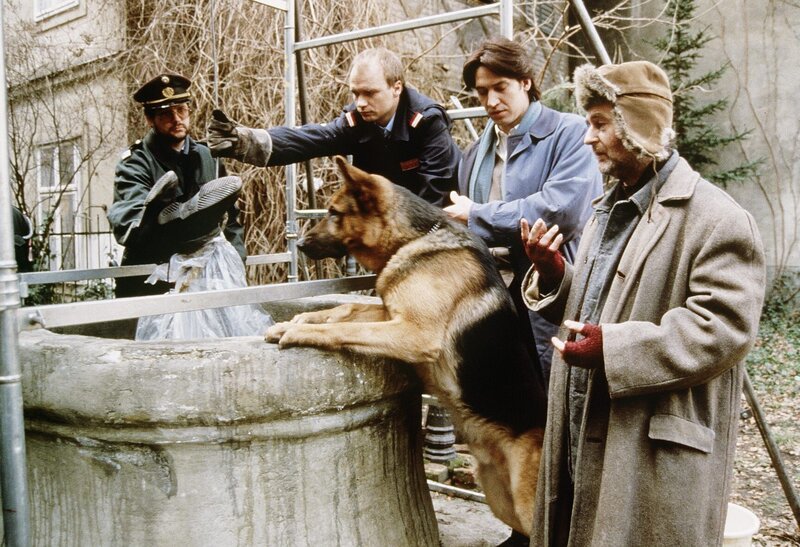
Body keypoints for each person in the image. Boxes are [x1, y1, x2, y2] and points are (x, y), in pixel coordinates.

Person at [520, 60, 766, 546]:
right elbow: (603, 304)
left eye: (600, 124)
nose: (587, 137)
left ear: (637, 127)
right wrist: (555, 275)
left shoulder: (719, 219)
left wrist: (612, 350)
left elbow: (724, 328)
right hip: (580, 426)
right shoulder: (609, 207)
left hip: (648, 446)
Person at [444, 37, 603, 391]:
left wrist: (476, 214)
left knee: (556, 396)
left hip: (552, 291)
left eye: (501, 88)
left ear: (526, 82)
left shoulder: (570, 133)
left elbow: (560, 212)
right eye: (482, 92)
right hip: (493, 298)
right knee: (508, 402)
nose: (491, 101)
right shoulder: (474, 155)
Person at [207, 47, 461, 207]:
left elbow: (436, 193)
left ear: (396, 88)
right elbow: (312, 139)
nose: (360, 103)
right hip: (388, 215)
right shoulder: (358, 121)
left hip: (434, 223)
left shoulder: (426, 122)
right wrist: (246, 141)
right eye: (355, 93)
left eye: (370, 93)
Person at [108, 73, 245, 298]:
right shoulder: (135, 163)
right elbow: (130, 221)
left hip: (205, 277)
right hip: (152, 280)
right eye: (166, 114)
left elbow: (231, 220)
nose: (177, 119)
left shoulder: (208, 157)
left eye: (181, 110)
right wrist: (156, 212)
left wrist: (236, 263)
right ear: (150, 119)